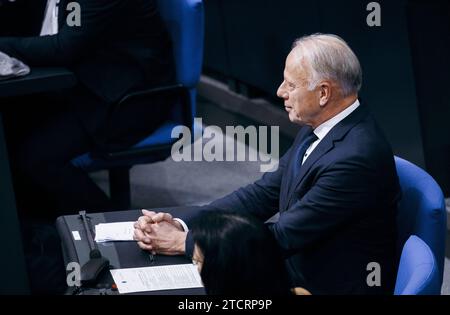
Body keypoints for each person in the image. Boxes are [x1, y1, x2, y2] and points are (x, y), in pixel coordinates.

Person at [134, 33, 401, 295]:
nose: (280, 92)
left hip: (323, 285)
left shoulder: (354, 159)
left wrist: (186, 242)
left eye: (291, 85)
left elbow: (283, 235)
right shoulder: (321, 124)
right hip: (299, 265)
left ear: (323, 93)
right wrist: (188, 224)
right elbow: (262, 194)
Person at [0, 0, 175, 218]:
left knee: (35, 157)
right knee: (11, 130)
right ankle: (36, 228)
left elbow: (63, 48)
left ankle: (114, 226)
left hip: (128, 98)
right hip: (84, 82)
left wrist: (3, 45)